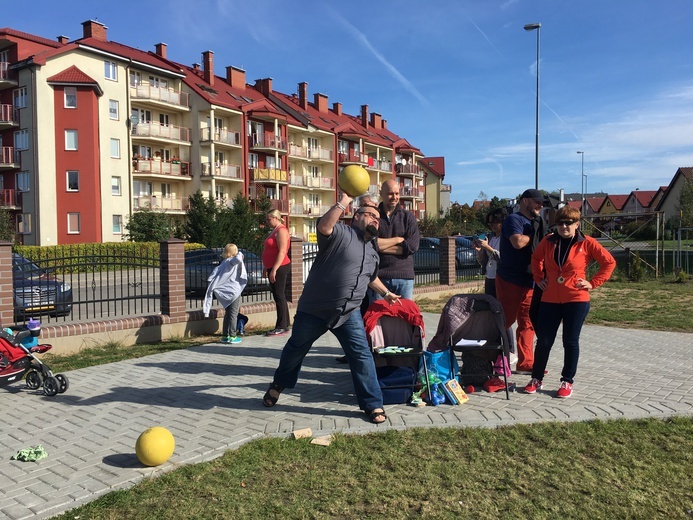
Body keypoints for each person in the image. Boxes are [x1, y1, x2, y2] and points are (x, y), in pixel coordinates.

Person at [262, 193, 401, 424]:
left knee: (362, 355)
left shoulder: (373, 251)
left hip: (348, 314)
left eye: (378, 218)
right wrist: (343, 200)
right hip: (314, 310)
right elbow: (323, 227)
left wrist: (386, 294)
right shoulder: (342, 233)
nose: (376, 220)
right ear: (356, 217)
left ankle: (373, 404)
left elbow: (371, 278)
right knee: (296, 349)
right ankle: (278, 385)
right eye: (371, 216)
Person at [524, 206, 615, 398]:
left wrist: (593, 283)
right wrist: (539, 278)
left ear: (577, 224)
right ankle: (536, 378)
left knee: (570, 341)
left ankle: (567, 381)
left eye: (568, 223)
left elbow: (609, 262)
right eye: (560, 223)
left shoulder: (587, 243)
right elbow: (535, 258)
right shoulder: (548, 242)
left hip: (576, 299)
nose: (564, 226)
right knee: (544, 341)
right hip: (550, 299)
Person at [495, 189, 544, 374]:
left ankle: (526, 363)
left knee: (528, 321)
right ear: (525, 201)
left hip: (530, 280)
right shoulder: (513, 220)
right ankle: (495, 359)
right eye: (536, 202)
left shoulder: (536, 222)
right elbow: (517, 242)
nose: (540, 205)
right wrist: (536, 235)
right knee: (506, 320)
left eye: (541, 203)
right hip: (510, 279)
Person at [369, 178, 420, 301]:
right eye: (390, 193)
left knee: (404, 317)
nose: (394, 197)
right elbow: (370, 244)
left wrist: (381, 246)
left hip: (404, 277)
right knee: (377, 319)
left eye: (397, 193)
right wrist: (398, 240)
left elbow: (412, 247)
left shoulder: (408, 217)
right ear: (381, 194)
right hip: (378, 278)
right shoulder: (373, 216)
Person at [203, 244, 248, 344]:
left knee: (228, 314)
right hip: (233, 292)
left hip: (226, 292)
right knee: (233, 314)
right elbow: (237, 259)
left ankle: (225, 335)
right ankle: (232, 335)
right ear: (234, 252)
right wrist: (240, 255)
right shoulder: (231, 262)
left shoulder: (224, 262)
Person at [262, 209, 291, 336]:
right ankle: (285, 324)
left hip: (280, 266)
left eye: (269, 219)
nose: (267, 222)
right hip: (273, 266)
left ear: (276, 218)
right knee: (279, 296)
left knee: (279, 296)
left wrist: (274, 269)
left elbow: (282, 251)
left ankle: (281, 326)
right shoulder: (274, 231)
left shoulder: (281, 231)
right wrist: (266, 267)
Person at [474, 207, 508, 298]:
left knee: (500, 306)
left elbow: (504, 259)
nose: (492, 225)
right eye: (490, 222)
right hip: (489, 277)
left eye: (496, 222)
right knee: (489, 305)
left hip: (501, 278)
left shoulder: (507, 238)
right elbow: (483, 261)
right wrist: (480, 252)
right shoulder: (490, 237)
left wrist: (487, 247)